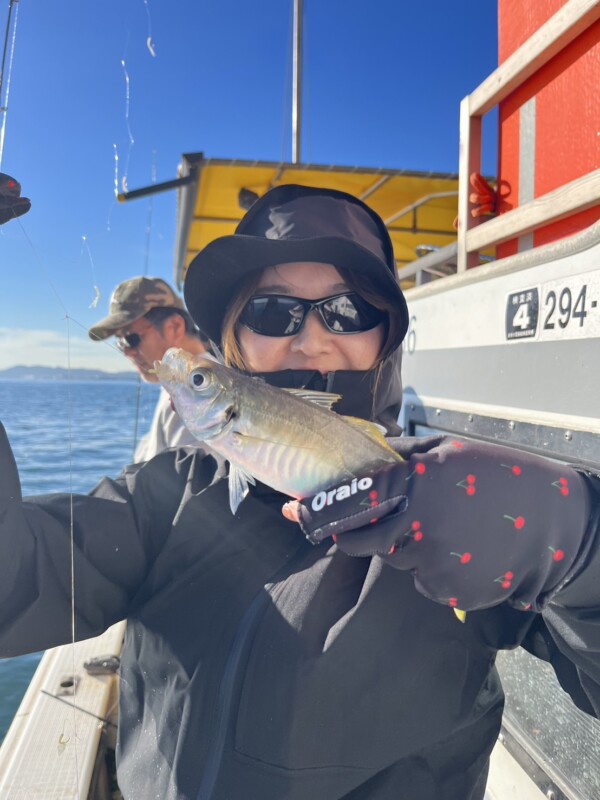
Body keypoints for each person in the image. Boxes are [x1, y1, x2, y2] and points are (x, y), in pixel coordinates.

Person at [1, 184, 599, 800]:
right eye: (272, 313)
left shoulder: (450, 505)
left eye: (347, 312)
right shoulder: (167, 495)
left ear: (387, 338)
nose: (312, 341)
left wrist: (577, 544)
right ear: (235, 341)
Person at [88, 276, 208, 461]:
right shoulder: (176, 381)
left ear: (174, 327)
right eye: (120, 342)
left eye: (130, 338)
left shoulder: (196, 391)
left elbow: (183, 484)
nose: (127, 352)